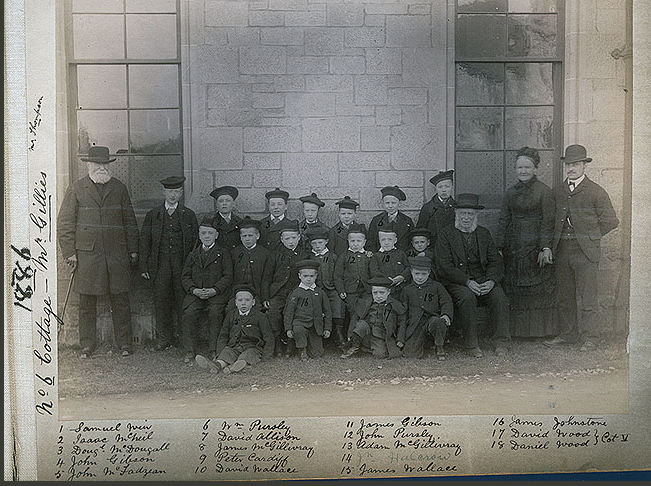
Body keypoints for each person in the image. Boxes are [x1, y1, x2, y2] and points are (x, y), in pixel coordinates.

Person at [57, 146, 139, 358]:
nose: (101, 168)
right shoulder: (76, 189)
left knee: (120, 300)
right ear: (89, 165)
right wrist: (69, 253)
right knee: (87, 303)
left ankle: (125, 344)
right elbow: (65, 223)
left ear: (109, 166)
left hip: (116, 255)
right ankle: (87, 345)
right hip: (87, 256)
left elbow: (129, 221)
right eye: (97, 164)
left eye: (105, 164)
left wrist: (132, 250)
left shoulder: (119, 188)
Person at [543, 144, 619, 352]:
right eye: (568, 164)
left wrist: (590, 236)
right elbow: (548, 221)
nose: (571, 168)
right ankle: (568, 335)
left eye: (576, 164)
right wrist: (547, 247)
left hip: (586, 252)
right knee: (565, 296)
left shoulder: (596, 191)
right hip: (562, 251)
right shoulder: (557, 191)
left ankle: (590, 337)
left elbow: (611, 220)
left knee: (588, 297)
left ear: (584, 166)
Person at [435, 194, 511, 358]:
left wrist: (491, 281)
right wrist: (466, 281)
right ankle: (471, 344)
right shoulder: (445, 234)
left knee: (499, 296)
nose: (466, 218)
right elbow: (444, 266)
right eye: (463, 213)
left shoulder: (484, 233)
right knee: (467, 297)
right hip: (457, 282)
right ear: (457, 215)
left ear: (476, 216)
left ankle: (501, 342)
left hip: (484, 280)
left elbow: (495, 261)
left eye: (470, 214)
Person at [496, 147, 556, 338]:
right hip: (513, 245)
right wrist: (499, 247)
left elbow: (548, 221)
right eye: (519, 167)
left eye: (527, 167)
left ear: (535, 169)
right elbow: (504, 220)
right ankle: (517, 331)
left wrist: (545, 247)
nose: (523, 171)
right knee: (515, 285)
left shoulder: (544, 191)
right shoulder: (510, 192)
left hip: (535, 244)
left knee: (536, 286)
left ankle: (538, 331)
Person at [139, 176, 199, 350]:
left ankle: (183, 339)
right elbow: (145, 241)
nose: (173, 195)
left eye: (177, 191)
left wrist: (192, 268)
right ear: (163, 192)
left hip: (182, 266)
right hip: (160, 265)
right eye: (170, 191)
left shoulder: (188, 215)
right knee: (161, 301)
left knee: (183, 301)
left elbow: (195, 242)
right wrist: (144, 266)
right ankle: (164, 339)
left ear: (181, 193)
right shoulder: (153, 215)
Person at [180, 217, 233, 362]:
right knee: (189, 313)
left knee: (215, 313)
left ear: (216, 235)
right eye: (203, 233)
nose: (207, 236)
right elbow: (185, 277)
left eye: (210, 233)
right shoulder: (193, 254)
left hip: (216, 294)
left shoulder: (223, 253)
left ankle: (214, 349)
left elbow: (228, 276)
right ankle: (190, 350)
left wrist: (215, 290)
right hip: (196, 294)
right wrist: (193, 290)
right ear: (199, 235)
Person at [196, 285, 274, 375]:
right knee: (227, 353)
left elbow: (269, 338)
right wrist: (219, 353)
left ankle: (235, 367)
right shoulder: (231, 315)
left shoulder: (260, 316)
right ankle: (217, 365)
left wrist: (266, 357)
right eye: (240, 300)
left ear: (253, 302)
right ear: (236, 302)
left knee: (248, 356)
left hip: (252, 347)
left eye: (247, 300)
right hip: (234, 347)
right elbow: (223, 335)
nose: (243, 303)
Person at [263, 219, 308, 357]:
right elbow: (266, 277)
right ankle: (277, 342)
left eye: (293, 238)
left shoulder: (304, 254)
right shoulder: (275, 254)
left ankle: (290, 343)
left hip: (296, 292)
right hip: (279, 292)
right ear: (281, 239)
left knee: (295, 313)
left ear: (299, 237)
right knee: (273, 312)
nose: (290, 241)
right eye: (287, 238)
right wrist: (265, 297)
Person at [340, 276, 407, 359]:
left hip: (380, 335)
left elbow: (402, 323)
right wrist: (350, 334)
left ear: (388, 292)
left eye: (382, 293)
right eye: (375, 293)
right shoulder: (366, 303)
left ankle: (366, 348)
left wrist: (400, 339)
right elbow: (355, 318)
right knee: (362, 324)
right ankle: (354, 347)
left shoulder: (395, 305)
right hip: (366, 332)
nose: (378, 296)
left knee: (380, 355)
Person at [400, 256, 453, 360]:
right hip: (415, 324)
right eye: (417, 273)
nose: (420, 277)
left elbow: (446, 301)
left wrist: (446, 314)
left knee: (438, 322)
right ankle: (426, 343)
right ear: (411, 272)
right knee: (410, 354)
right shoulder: (407, 290)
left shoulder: (437, 286)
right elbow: (403, 313)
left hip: (432, 319)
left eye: (423, 274)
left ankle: (439, 346)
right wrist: (402, 336)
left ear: (429, 272)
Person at [284, 260, 333, 361]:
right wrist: (288, 328)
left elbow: (327, 311)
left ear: (316, 276)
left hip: (315, 326)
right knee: (299, 330)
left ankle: (312, 348)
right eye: (305, 276)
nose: (308, 279)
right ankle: (302, 350)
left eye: (311, 276)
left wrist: (327, 328)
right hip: (300, 323)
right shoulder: (296, 292)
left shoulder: (320, 292)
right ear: (299, 276)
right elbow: (289, 312)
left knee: (317, 354)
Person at [306, 226, 345, 349]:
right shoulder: (309, 257)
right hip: (316, 290)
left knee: (337, 304)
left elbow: (338, 275)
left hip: (331, 289)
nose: (317, 246)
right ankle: (319, 338)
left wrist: (339, 290)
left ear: (326, 242)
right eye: (314, 243)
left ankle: (338, 336)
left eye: (320, 243)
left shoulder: (333, 257)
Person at [334, 223, 373, 339]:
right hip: (350, 292)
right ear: (348, 241)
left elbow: (373, 273)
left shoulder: (368, 256)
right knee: (354, 312)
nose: (355, 244)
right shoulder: (344, 256)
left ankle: (357, 338)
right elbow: (337, 276)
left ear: (364, 242)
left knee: (365, 310)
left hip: (366, 291)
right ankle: (351, 338)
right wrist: (341, 290)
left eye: (359, 241)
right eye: (352, 241)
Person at [228, 217, 271, 314]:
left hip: (257, 293)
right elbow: (230, 276)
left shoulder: (265, 253)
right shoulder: (234, 253)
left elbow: (266, 278)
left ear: (258, 236)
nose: (247, 239)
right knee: (230, 311)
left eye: (250, 235)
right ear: (240, 237)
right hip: (237, 293)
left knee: (257, 312)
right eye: (244, 236)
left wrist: (265, 298)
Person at [367, 186, 415, 252]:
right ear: (382, 204)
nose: (390, 206)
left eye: (393, 203)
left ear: (399, 204)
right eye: (387, 203)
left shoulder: (407, 221)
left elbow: (412, 241)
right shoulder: (376, 220)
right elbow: (371, 241)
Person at [369, 224, 411, 299]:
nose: (386, 242)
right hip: (383, 290)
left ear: (395, 240)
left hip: (400, 289)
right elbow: (373, 271)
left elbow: (408, 267)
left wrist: (402, 277)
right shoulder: (376, 256)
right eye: (383, 239)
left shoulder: (401, 254)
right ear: (379, 240)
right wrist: (386, 279)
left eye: (390, 239)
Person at [417, 170, 456, 247]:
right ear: (436, 189)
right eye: (440, 187)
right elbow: (421, 231)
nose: (444, 190)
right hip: (434, 246)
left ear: (452, 187)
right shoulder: (428, 207)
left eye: (447, 186)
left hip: (453, 246)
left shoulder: (457, 206)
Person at [210, 185, 242, 251]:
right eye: (221, 201)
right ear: (216, 204)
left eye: (228, 201)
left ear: (233, 203)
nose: (224, 203)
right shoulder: (211, 222)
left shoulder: (240, 222)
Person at [259, 187, 290, 252]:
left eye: (279, 204)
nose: (276, 207)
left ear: (286, 206)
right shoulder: (261, 224)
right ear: (268, 206)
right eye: (272, 204)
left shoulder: (290, 224)